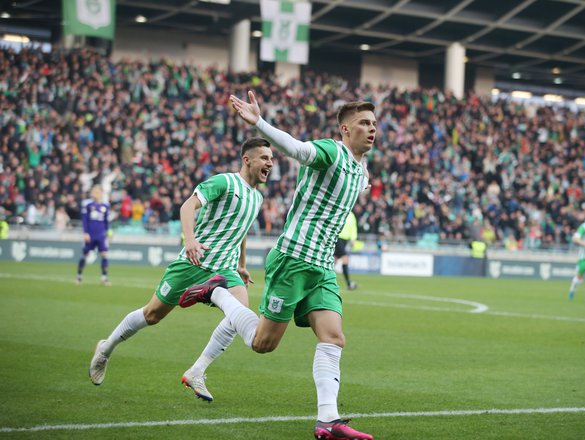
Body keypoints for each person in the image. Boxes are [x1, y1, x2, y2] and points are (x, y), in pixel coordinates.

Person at [179, 91, 374, 440]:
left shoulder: (361, 169)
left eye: (374, 123)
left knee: (333, 337)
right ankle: (218, 291)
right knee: (262, 344)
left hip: (322, 266)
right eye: (363, 123)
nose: (372, 129)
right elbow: (298, 149)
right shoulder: (332, 151)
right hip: (295, 258)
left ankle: (327, 420)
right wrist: (260, 123)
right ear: (345, 129)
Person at [88, 138, 274, 399]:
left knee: (238, 314)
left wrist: (242, 265)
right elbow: (187, 206)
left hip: (225, 269)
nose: (270, 163)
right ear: (248, 160)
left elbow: (240, 229)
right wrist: (190, 239)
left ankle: (197, 371)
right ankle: (106, 349)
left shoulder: (257, 197)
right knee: (152, 315)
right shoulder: (225, 182)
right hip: (194, 262)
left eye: (271, 158)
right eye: (265, 158)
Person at [76, 185, 111, 285]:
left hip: (101, 235)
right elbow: (84, 220)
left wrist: (108, 233)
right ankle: (79, 276)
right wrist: (86, 232)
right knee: (85, 254)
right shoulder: (88, 204)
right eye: (94, 191)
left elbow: (106, 222)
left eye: (97, 191)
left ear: (101, 193)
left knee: (104, 254)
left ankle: (104, 278)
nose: (95, 193)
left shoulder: (106, 206)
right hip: (90, 234)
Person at [334, 210, 358, 290]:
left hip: (345, 240)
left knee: (334, 260)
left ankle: (323, 279)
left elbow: (353, 227)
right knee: (345, 258)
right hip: (338, 237)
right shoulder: (341, 211)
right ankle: (349, 283)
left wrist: (353, 239)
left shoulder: (351, 215)